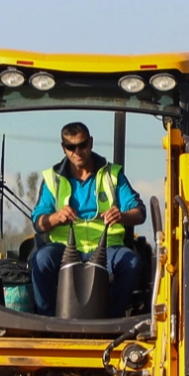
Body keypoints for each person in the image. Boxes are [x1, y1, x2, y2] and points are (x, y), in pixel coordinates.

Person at [29, 122, 146, 317]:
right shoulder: (52, 178)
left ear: (91, 143)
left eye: (82, 145)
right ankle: (48, 321)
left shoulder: (113, 174)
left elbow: (139, 213)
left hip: (107, 247)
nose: (77, 151)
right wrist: (57, 217)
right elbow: (38, 222)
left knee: (132, 263)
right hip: (65, 248)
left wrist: (121, 215)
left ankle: (109, 319)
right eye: (71, 147)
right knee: (40, 260)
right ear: (63, 148)